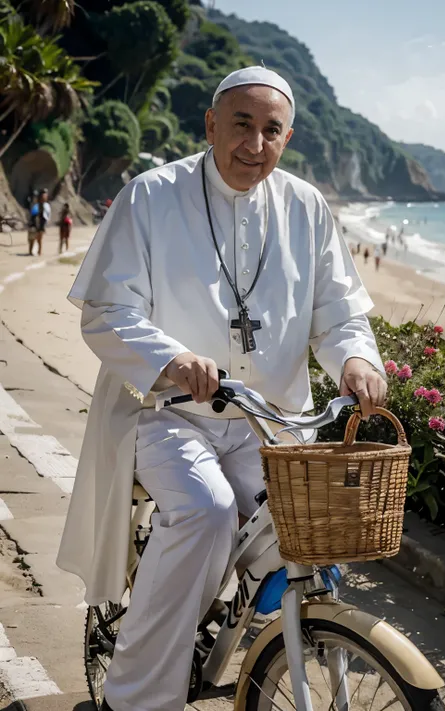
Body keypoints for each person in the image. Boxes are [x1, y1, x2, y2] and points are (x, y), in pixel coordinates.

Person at [57, 66, 387, 711]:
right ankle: (135, 698)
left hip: (269, 420)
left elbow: (340, 311)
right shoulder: (151, 195)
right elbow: (105, 310)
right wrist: (175, 358)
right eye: (241, 125)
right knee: (206, 511)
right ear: (211, 124)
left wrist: (355, 358)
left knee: (304, 533)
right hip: (165, 411)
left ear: (287, 138)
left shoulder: (307, 206)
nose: (254, 145)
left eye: (271, 131)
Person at [29, 188, 51, 256]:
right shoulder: (36, 205)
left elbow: (48, 216)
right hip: (34, 224)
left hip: (42, 225)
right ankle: (31, 252)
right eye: (43, 196)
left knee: (39, 240)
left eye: (45, 196)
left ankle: (39, 252)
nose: (44, 197)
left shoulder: (47, 206)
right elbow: (33, 215)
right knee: (32, 239)